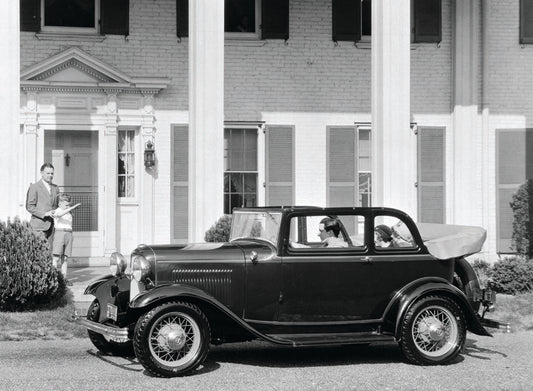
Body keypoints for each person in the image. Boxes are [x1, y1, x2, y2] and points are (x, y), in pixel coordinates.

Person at [26, 163, 59, 247]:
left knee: (50, 254)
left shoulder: (56, 188)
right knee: (39, 253)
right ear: (41, 173)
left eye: (52, 173)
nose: (50, 175)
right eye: (48, 173)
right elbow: (29, 206)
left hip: (52, 227)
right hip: (39, 227)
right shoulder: (34, 187)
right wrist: (45, 213)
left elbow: (57, 206)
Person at [52, 193, 80, 286]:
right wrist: (72, 208)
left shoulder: (68, 212)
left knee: (65, 258)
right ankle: (53, 278)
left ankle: (64, 278)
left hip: (69, 233)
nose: (68, 206)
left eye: (69, 205)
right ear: (59, 204)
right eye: (66, 205)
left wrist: (70, 209)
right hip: (60, 233)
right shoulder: (57, 211)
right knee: (56, 257)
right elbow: (59, 215)